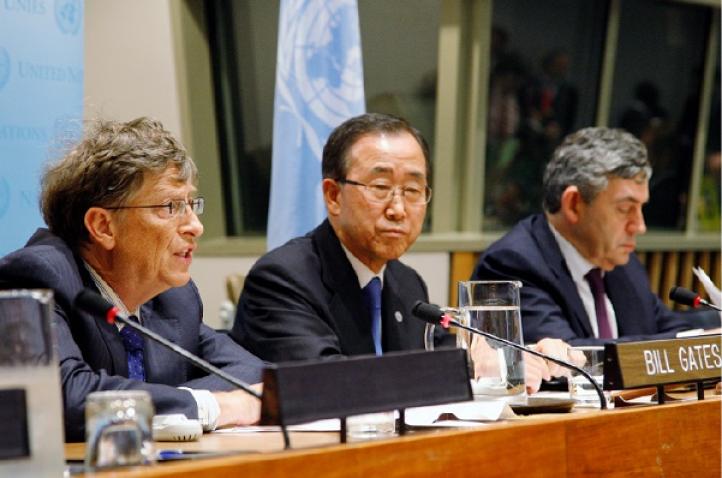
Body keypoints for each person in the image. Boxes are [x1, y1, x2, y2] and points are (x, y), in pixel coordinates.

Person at [233, 113, 572, 392]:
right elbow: (326, 385)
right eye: (380, 187)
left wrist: (518, 356)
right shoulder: (283, 278)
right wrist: (468, 368)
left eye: (412, 190)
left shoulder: (407, 283)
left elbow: (444, 358)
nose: (398, 208)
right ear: (333, 196)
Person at [0, 117, 264, 441]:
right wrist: (206, 406)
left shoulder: (173, 298)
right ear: (103, 226)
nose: (195, 226)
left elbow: (250, 375)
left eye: (191, 204)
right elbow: (62, 399)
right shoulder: (35, 279)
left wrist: (170, 404)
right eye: (170, 206)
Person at [472, 127, 719, 345]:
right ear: (573, 204)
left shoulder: (621, 264)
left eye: (641, 208)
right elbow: (569, 359)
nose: (639, 226)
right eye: (625, 209)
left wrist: (710, 335)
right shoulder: (512, 264)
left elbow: (666, 328)